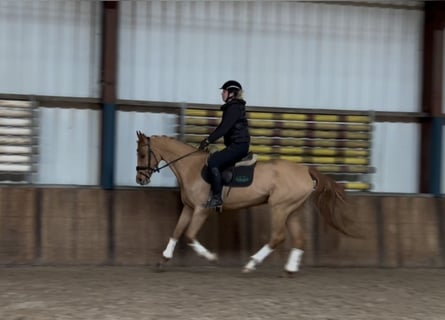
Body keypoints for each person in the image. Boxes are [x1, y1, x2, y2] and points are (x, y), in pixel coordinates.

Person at [198, 80, 251, 208]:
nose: (222, 93)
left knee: (213, 162)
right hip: (237, 145)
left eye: (224, 91)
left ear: (231, 93)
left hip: (239, 146)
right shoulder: (233, 107)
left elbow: (223, 128)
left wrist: (208, 140)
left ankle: (217, 198)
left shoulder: (233, 108)